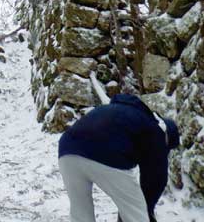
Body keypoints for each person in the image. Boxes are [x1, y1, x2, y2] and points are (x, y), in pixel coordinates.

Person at [57, 94, 181, 222]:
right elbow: (156, 180)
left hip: (67, 149)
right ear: (168, 138)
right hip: (106, 153)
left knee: (81, 215)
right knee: (136, 214)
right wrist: (147, 210)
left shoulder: (122, 112)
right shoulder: (157, 131)